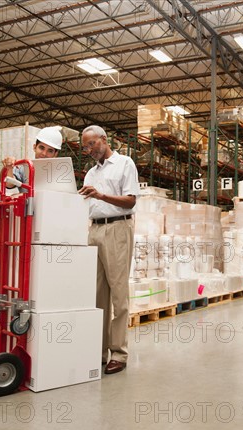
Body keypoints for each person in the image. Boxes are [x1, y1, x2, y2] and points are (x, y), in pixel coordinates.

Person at [78, 125, 140, 375]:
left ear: (104, 140)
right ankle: (99, 350)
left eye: (92, 144)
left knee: (118, 293)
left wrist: (102, 196)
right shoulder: (90, 173)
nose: (89, 150)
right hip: (94, 230)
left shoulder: (125, 164)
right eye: (85, 147)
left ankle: (119, 353)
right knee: (97, 294)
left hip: (117, 230)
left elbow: (131, 201)